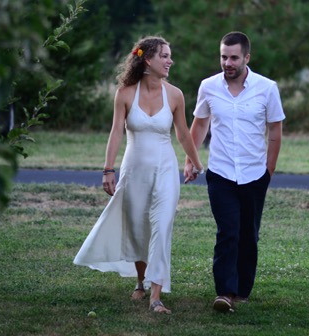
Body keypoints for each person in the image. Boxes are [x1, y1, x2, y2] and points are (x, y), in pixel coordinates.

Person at [74, 36, 204, 315]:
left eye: (170, 56)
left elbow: (182, 133)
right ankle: (140, 281)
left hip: (165, 169)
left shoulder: (175, 95)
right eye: (164, 56)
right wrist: (108, 169)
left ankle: (156, 296)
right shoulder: (124, 93)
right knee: (137, 226)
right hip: (134, 169)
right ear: (147, 60)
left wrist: (195, 161)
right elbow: (116, 132)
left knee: (162, 224)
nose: (170, 61)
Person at [183, 31, 285, 313]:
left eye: (233, 57)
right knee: (228, 231)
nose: (227, 63)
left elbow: (275, 131)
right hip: (220, 173)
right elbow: (200, 124)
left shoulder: (267, 88)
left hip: (255, 174)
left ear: (246, 58)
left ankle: (242, 290)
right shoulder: (209, 86)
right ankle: (225, 292)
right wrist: (191, 159)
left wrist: (269, 170)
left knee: (248, 235)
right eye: (223, 57)